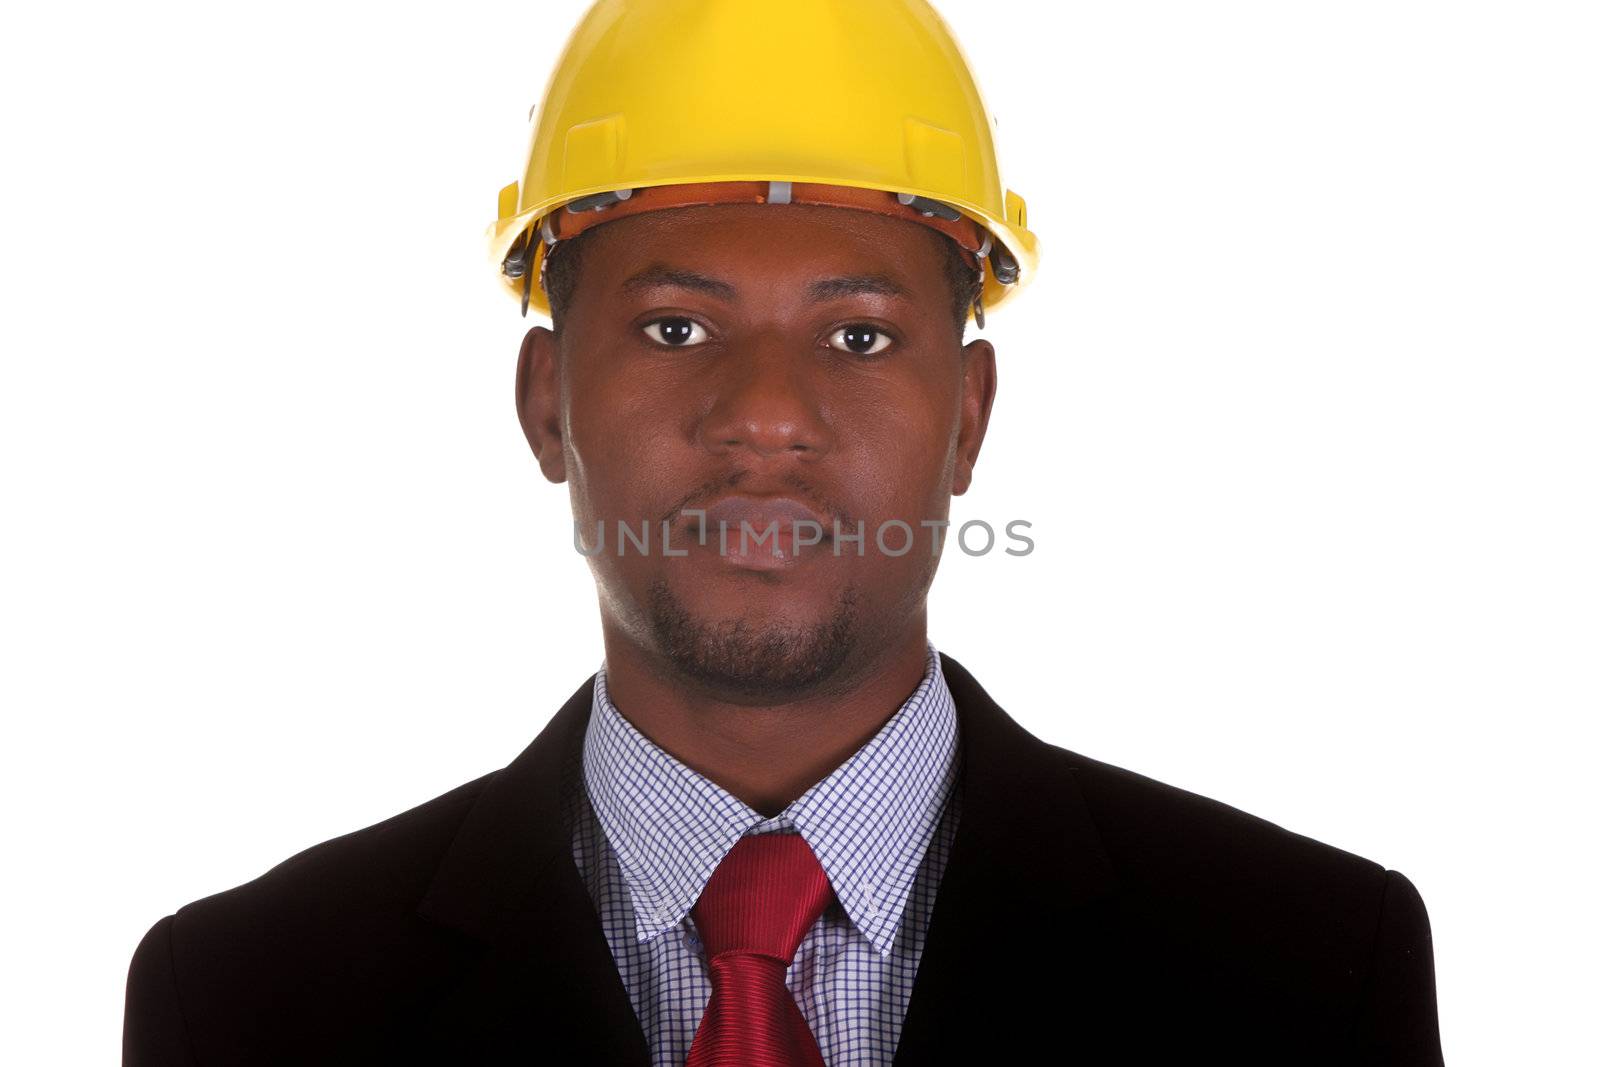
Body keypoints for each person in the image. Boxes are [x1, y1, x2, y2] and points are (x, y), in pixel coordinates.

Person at [123, 1, 1445, 1064]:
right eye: (675, 329)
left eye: (858, 337)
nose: (765, 416)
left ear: (969, 419)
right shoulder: (250, 1006)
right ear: (545, 404)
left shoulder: (1308, 976)